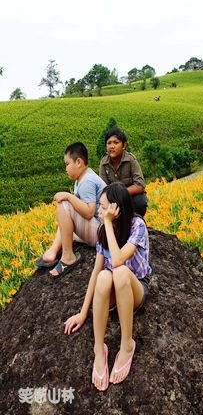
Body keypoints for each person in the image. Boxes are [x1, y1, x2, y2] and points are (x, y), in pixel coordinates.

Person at [63, 183, 152, 391]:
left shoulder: (137, 225)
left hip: (136, 287)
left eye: (103, 207)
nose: (98, 211)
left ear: (115, 209)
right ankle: (98, 348)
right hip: (113, 288)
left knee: (119, 271)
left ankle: (127, 345)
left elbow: (119, 260)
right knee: (104, 275)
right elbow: (95, 272)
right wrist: (82, 312)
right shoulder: (104, 229)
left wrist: (109, 225)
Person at [34, 142, 106, 277]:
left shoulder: (87, 181)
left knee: (64, 206)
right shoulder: (82, 178)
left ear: (78, 162)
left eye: (67, 164)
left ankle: (68, 257)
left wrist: (68, 196)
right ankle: (53, 250)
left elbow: (89, 212)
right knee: (65, 222)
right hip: (97, 228)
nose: (65, 169)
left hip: (102, 232)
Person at [99, 127, 148, 217]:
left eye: (116, 142)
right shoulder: (104, 163)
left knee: (140, 201)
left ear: (124, 145)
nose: (112, 146)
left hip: (130, 198)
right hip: (113, 200)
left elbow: (140, 185)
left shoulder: (130, 160)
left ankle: (137, 223)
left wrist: (121, 193)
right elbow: (103, 188)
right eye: (109, 143)